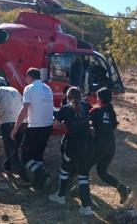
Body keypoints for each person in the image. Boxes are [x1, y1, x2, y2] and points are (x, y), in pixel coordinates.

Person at [48, 87, 94, 216]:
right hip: (88, 145)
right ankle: (87, 207)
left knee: (64, 169)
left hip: (73, 146)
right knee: (83, 175)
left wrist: (66, 127)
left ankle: (60, 196)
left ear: (67, 97)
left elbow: (55, 125)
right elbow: (90, 119)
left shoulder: (65, 109)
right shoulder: (86, 106)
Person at [11, 68, 54, 189]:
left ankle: (42, 176)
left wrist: (15, 128)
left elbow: (25, 109)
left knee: (25, 157)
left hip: (36, 126)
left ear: (29, 77)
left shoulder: (29, 88)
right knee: (37, 155)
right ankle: (39, 182)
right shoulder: (47, 88)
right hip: (47, 126)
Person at [89, 87, 131, 204]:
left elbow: (90, 128)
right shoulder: (112, 113)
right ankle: (123, 188)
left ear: (100, 99)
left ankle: (82, 192)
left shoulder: (96, 112)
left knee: (84, 168)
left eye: (97, 97)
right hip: (111, 147)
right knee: (102, 172)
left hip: (100, 146)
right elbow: (111, 127)